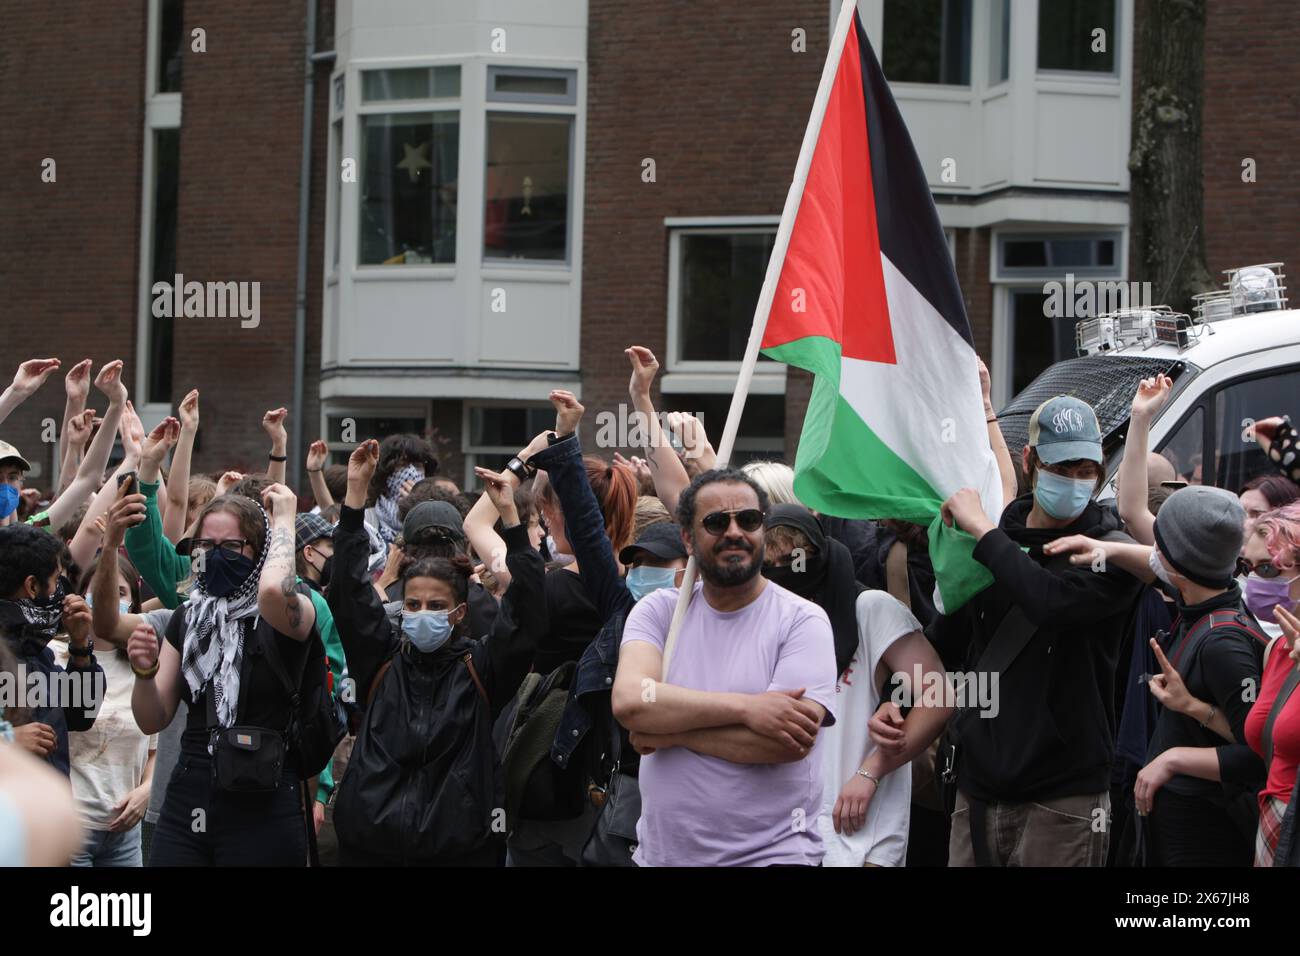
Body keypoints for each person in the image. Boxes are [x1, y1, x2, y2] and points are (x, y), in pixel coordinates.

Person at [935, 395, 1143, 866]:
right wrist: (899, 699)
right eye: (1061, 467)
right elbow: (945, 639)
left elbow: (1050, 603)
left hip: (1064, 794)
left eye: (1085, 469)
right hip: (979, 787)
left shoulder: (1111, 552)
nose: (1073, 481)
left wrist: (984, 534)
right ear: (1030, 461)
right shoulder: (994, 537)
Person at [326, 440, 545, 865]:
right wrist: (355, 495)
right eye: (412, 605)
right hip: (372, 845)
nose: (422, 614)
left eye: (436, 606)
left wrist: (512, 521)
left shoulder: (482, 668)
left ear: (460, 611)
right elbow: (349, 591)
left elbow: (527, 612)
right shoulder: (381, 661)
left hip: (459, 848)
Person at [613, 468, 839, 866]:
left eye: (748, 520)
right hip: (661, 857)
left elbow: (787, 743)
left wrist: (667, 732)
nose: (734, 531)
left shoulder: (804, 620)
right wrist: (748, 709)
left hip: (772, 857)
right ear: (687, 537)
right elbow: (633, 702)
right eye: (716, 522)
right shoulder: (660, 611)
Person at [504, 392, 689, 867]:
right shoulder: (623, 611)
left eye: (658, 563)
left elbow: (692, 506)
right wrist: (565, 442)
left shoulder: (714, 620)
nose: (644, 572)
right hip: (616, 791)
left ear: (689, 568)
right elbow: (587, 530)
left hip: (693, 793)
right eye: (637, 563)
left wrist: (643, 403)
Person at [1049, 485, 1267, 866]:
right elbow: (1159, 563)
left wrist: (1175, 758)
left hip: (1204, 836)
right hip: (1176, 824)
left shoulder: (1223, 645)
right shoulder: (1202, 594)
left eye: (1161, 545)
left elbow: (1258, 753)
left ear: (1179, 563)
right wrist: (1108, 549)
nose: (1154, 552)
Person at [128, 485, 329, 866]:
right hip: (192, 791)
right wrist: (143, 672)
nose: (215, 556)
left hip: (264, 795)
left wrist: (284, 518)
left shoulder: (291, 610)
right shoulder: (189, 617)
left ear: (261, 550)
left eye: (232, 547)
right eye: (204, 546)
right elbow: (152, 717)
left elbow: (271, 590)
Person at [761, 504, 952, 867]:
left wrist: (871, 771)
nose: (788, 571)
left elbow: (939, 694)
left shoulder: (869, 608)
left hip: (861, 832)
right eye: (774, 563)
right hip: (779, 836)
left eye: (795, 558)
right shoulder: (762, 621)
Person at [49, 558, 158, 867]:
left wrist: (146, 791)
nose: (108, 599)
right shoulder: (54, 657)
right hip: (69, 828)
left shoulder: (144, 663)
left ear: (134, 604)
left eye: (119, 592)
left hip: (124, 833)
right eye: (97, 591)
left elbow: (155, 748)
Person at [0, 524, 104, 776]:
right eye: (57, 580)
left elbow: (81, 716)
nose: (63, 593)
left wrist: (81, 648)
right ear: (32, 586)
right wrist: (8, 741)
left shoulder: (38, 651)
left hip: (45, 808)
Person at [364, 433, 439, 549]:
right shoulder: (367, 519)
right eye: (402, 465)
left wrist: (420, 509)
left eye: (417, 465)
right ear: (385, 472)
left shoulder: (437, 516)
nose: (411, 472)